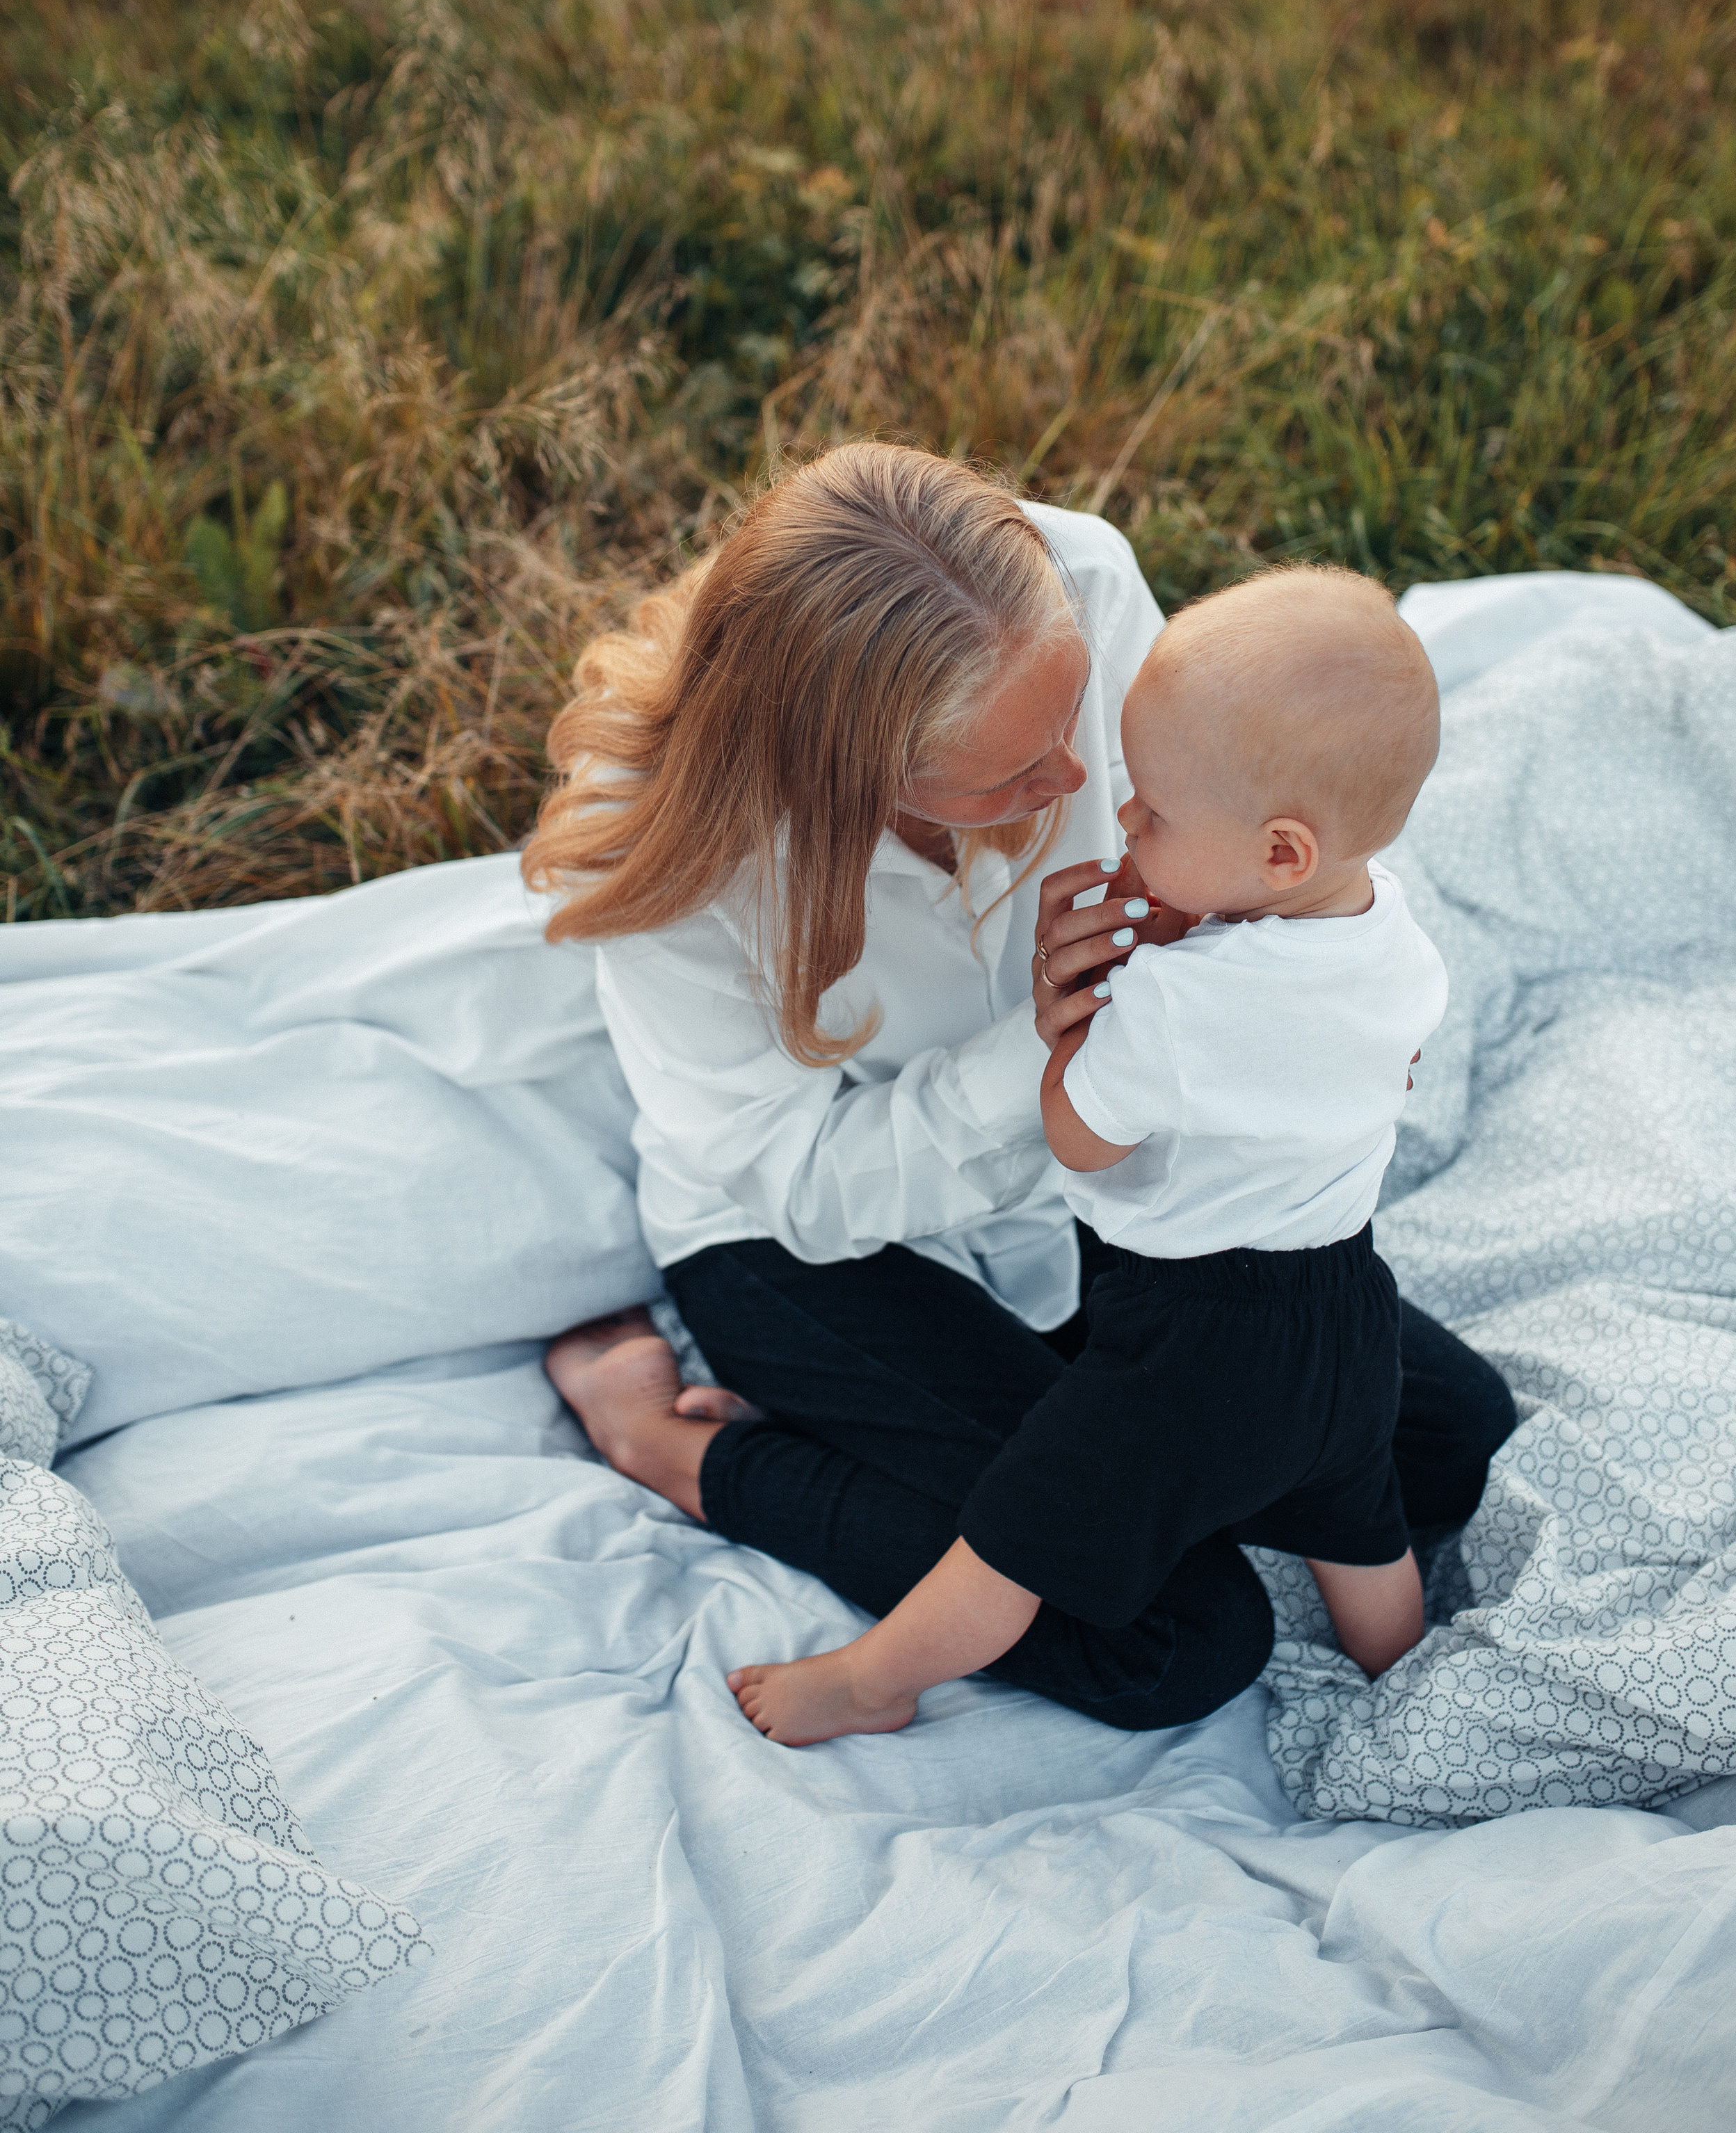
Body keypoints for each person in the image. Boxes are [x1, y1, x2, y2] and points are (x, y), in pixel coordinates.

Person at [527, 444, 1515, 1733]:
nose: (1080, 782)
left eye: (1078, 726)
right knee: (1175, 1638)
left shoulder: (1079, 588)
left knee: (1443, 1441)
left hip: (1092, 1195)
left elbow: (1255, 826)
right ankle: (679, 1447)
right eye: (1013, 772)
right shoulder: (669, 856)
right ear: (852, 777)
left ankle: (989, 1439)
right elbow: (804, 1189)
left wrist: (1325, 1006)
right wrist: (1045, 1054)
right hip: (817, 1246)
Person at [728, 567, 1447, 1744]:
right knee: (1358, 1524)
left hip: (1193, 1338)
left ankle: (872, 1681)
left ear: (1277, 852)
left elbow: (1083, 1137)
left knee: (1017, 1537)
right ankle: (1409, 1688)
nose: (1122, 819)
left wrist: (1071, 1032)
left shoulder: (1171, 1001)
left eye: (1153, 812)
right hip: (1348, 1309)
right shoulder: (1395, 934)